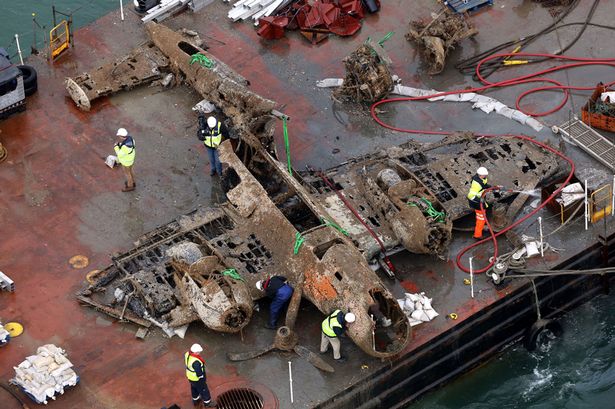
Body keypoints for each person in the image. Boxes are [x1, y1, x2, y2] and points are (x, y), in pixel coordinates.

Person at [467, 167, 500, 240]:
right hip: (477, 203)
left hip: (480, 201)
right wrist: (480, 200)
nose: (486, 176)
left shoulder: (480, 179)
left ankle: (481, 226)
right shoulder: (476, 184)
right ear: (481, 175)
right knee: (481, 219)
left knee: (481, 217)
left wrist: (492, 187)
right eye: (485, 175)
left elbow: (484, 186)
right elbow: (470, 196)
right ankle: (477, 235)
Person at [185, 343, 216, 408]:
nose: (199, 353)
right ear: (196, 352)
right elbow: (199, 373)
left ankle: (195, 400)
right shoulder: (196, 362)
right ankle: (207, 403)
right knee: (204, 389)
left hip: (190, 377)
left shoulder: (187, 354)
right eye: (199, 352)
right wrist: (202, 379)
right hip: (197, 379)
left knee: (194, 388)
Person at [114, 128, 136, 192]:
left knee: (127, 173)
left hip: (126, 161)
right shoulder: (131, 139)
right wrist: (120, 145)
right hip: (131, 159)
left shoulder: (125, 147)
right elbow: (126, 149)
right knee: (131, 170)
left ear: (121, 136)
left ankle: (130, 186)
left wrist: (116, 147)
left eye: (119, 136)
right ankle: (133, 182)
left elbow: (119, 154)